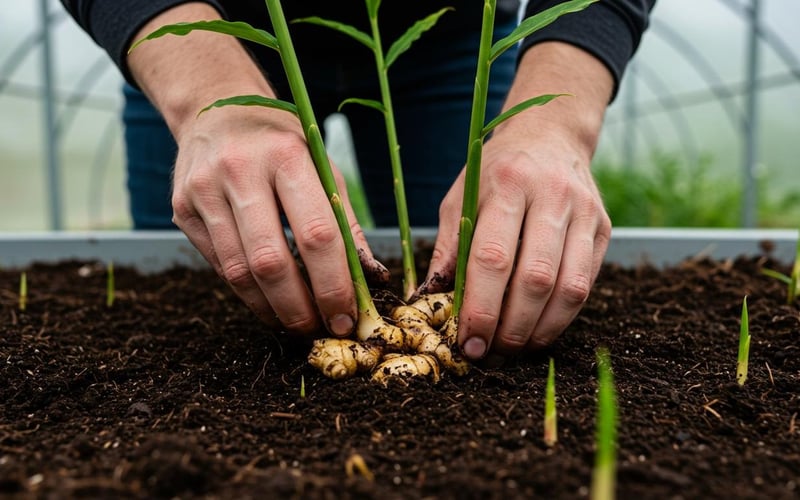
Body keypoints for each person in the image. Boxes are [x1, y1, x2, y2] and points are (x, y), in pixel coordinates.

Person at [60, 0, 655, 361]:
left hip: (450, 32)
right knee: (216, 256)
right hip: (204, 30)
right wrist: (206, 98)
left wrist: (554, 123)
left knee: (498, 258)